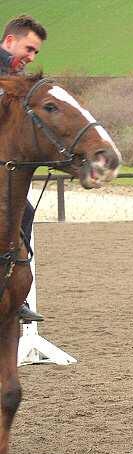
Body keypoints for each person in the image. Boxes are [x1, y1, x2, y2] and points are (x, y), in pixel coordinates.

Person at [0, 15, 47, 322]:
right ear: (9, 41)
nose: (31, 57)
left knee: (24, 211)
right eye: (29, 49)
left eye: (36, 53)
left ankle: (15, 292)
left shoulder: (17, 76)